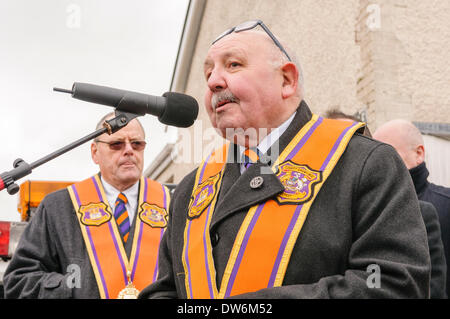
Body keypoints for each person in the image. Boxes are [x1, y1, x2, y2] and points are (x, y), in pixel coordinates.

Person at [140, 20, 430, 299]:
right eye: (208, 74)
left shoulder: (364, 163)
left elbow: (390, 283)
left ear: (287, 80)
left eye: (233, 65)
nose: (214, 81)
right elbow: (165, 289)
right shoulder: (191, 189)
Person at [3, 112, 170, 299]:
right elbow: (18, 281)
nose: (129, 150)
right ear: (95, 152)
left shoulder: (172, 204)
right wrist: (74, 290)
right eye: (117, 144)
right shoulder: (57, 208)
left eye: (137, 144)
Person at [374, 119, 450, 298]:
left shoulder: (445, 205)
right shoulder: (371, 210)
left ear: (419, 154)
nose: (378, 166)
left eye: (390, 155)